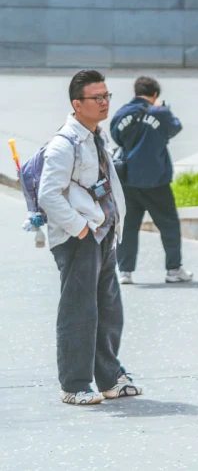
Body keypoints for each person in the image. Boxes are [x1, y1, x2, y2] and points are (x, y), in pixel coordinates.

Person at [38, 69, 142, 406]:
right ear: (76, 104)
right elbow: (48, 195)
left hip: (103, 233)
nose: (104, 102)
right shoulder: (64, 144)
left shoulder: (97, 135)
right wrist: (80, 228)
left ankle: (110, 378)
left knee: (108, 310)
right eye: (97, 98)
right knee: (79, 312)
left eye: (107, 96)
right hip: (79, 238)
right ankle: (75, 384)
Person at [110, 75, 192, 286]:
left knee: (128, 226)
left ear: (135, 93)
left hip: (128, 178)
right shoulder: (161, 113)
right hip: (156, 179)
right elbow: (175, 128)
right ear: (155, 95)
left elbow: (116, 136)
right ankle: (173, 269)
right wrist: (162, 110)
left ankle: (125, 271)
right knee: (169, 224)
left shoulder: (123, 113)